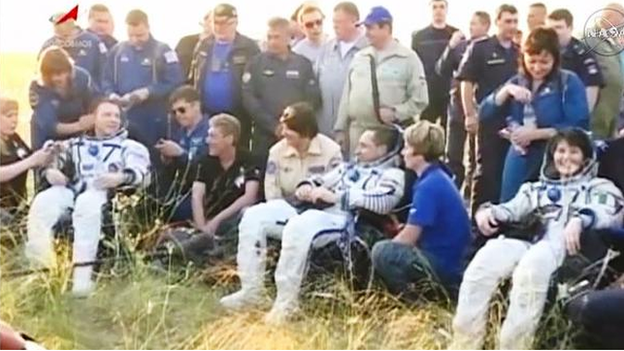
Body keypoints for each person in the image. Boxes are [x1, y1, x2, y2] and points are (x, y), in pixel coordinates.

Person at [450, 128, 624, 349]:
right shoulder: (536, 188)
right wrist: (487, 212)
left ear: (586, 158)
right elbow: (511, 209)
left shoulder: (599, 188)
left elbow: (609, 212)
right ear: (552, 155)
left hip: (565, 247)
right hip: (531, 241)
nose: (566, 157)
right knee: (483, 263)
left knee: (531, 269)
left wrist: (581, 219)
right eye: (561, 151)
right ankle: (464, 343)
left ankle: (514, 346)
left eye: (574, 152)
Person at [219, 102, 342, 309]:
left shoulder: (331, 151)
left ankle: (287, 303)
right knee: (253, 216)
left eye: (289, 129)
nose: (283, 133)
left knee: (298, 229)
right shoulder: (277, 151)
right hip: (289, 207)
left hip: (322, 214)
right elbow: (272, 189)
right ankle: (251, 290)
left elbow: (338, 190)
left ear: (304, 131)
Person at [25, 99, 151, 297]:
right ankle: (41, 273)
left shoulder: (128, 146)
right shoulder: (75, 145)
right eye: (107, 115)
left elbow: (143, 175)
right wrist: (51, 171)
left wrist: (119, 177)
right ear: (94, 119)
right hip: (75, 192)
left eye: (117, 116)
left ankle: (81, 282)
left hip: (107, 199)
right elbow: (49, 160)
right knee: (44, 201)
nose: (113, 120)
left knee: (87, 204)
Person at [480, 27, 589, 202]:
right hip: (520, 155)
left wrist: (535, 134)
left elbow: (578, 125)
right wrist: (506, 91)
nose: (537, 68)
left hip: (555, 157)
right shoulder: (517, 81)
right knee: (511, 205)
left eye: (544, 62)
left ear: (555, 59)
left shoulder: (568, 82)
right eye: (532, 61)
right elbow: (485, 113)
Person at [372, 121, 471, 301]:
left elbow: (408, 238)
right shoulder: (439, 176)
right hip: (453, 259)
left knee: (382, 251)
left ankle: (416, 301)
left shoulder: (428, 186)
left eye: (407, 148)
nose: (403, 152)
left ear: (420, 152)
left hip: (444, 265)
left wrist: (391, 243)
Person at [335, 6, 428, 156]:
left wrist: (396, 112)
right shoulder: (360, 58)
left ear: (385, 28)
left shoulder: (408, 58)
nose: (366, 33)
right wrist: (340, 129)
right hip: (357, 134)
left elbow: (420, 99)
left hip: (387, 136)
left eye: (370, 28)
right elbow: (347, 96)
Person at [172, 114, 262, 261]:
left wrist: (217, 220)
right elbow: (197, 195)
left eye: (213, 136)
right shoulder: (205, 161)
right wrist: (202, 227)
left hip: (233, 218)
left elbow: (250, 197)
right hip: (208, 219)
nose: (208, 141)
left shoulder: (249, 160)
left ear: (230, 139)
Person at [456, 4, 519, 215]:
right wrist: (469, 115)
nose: (512, 26)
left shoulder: (519, 52)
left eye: (515, 21)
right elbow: (465, 82)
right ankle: (477, 223)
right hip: (487, 120)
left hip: (513, 124)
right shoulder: (481, 48)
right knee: (484, 173)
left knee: (507, 173)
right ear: (497, 21)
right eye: (508, 21)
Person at [102, 9, 184, 152]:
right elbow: (105, 80)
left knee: (152, 157)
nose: (135, 40)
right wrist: (111, 95)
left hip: (153, 118)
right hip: (124, 117)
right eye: (130, 35)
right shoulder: (116, 51)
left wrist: (148, 92)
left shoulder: (163, 51)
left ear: (148, 28)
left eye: (139, 35)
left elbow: (176, 81)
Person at [242, 17, 321, 160]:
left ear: (288, 38)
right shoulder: (255, 64)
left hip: (296, 134)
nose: (272, 42)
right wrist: (274, 126)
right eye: (269, 37)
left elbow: (313, 98)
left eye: (277, 37)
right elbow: (249, 98)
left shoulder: (302, 64)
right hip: (265, 134)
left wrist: (293, 125)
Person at [190, 4, 261, 149]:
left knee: (237, 154)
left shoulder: (249, 47)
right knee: (209, 155)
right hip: (208, 113)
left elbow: (257, 83)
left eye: (225, 23)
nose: (220, 27)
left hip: (238, 114)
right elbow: (193, 77)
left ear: (235, 22)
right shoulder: (204, 44)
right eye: (216, 22)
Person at [435, 11, 490, 193]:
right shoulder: (460, 47)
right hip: (457, 110)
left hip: (480, 111)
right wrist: (450, 47)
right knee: (453, 156)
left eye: (475, 24)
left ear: (486, 26)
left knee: (476, 158)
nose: (470, 27)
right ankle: (450, 191)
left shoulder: (491, 48)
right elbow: (441, 70)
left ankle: (470, 192)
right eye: (470, 23)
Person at [155, 85, 210, 222]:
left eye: (182, 110)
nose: (178, 115)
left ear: (196, 106)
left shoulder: (210, 130)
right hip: (179, 188)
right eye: (174, 112)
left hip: (202, 191)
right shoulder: (179, 132)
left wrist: (180, 154)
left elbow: (208, 167)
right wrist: (168, 158)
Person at [30, 46, 99, 150]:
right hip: (48, 139)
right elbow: (50, 125)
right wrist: (80, 126)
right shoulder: (37, 87)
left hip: (81, 137)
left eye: (60, 73)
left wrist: (93, 117)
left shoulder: (82, 78)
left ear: (69, 70)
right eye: (50, 74)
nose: (56, 78)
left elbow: (96, 103)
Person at [315, 2, 367, 135]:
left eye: (339, 21)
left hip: (356, 130)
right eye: (333, 21)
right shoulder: (326, 49)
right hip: (325, 128)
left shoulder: (368, 50)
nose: (334, 26)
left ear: (354, 22)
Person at [0, 97, 54, 223]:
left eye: (16, 115)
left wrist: (46, 153)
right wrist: (31, 161)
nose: (14, 120)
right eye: (9, 116)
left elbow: (31, 158)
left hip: (18, 206)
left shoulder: (13, 139)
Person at [411, 0, 459, 130]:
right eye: (435, 7)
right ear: (430, 10)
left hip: (448, 93)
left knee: (448, 134)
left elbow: (460, 65)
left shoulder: (455, 34)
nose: (438, 10)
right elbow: (414, 65)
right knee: (423, 133)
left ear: (446, 10)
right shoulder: (419, 36)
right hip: (427, 92)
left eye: (442, 7)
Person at [547, 9, 604, 112]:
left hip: (572, 112)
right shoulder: (544, 51)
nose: (554, 32)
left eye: (558, 27)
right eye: (551, 28)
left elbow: (592, 85)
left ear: (570, 28)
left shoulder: (582, 54)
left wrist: (583, 115)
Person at [584, 3, 624, 139]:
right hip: (595, 118)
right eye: (622, 18)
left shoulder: (613, 43)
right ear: (609, 16)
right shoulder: (588, 40)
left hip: (611, 117)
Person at [41, 12, 107, 88]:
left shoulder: (93, 43)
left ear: (74, 30)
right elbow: (40, 76)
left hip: (88, 94)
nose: (62, 42)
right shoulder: (48, 46)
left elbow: (104, 75)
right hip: (56, 95)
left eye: (66, 36)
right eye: (58, 38)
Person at [176, 11, 213, 79]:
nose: (211, 25)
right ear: (204, 21)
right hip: (182, 86)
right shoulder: (185, 42)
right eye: (210, 21)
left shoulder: (220, 48)